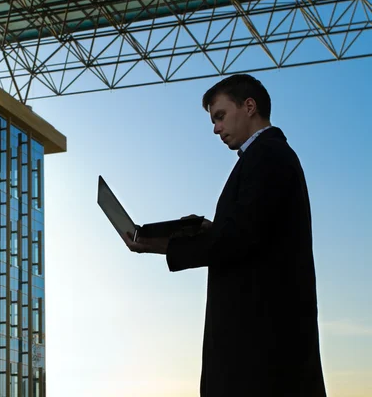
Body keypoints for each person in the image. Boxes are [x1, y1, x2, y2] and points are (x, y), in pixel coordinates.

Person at [124, 74, 327, 397]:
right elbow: (251, 230)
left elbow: (239, 238)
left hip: (260, 350)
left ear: (249, 106)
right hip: (264, 346)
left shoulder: (267, 155)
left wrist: (159, 245)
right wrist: (211, 229)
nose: (215, 128)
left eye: (220, 116)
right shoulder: (265, 156)